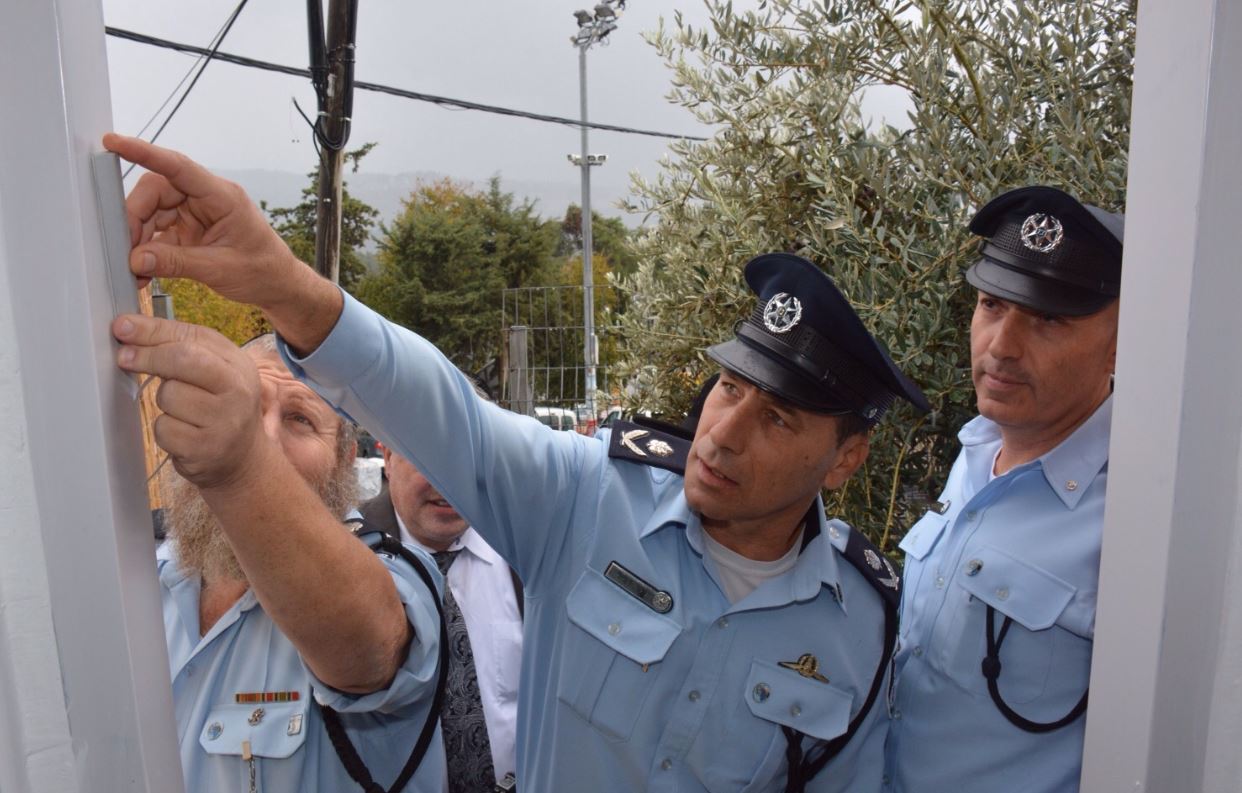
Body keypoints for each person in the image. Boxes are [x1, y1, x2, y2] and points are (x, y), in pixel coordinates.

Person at [104, 132, 930, 793]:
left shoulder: (861, 620)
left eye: (777, 417)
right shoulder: (586, 495)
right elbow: (443, 408)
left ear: (844, 458)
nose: (721, 432)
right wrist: (287, 284)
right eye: (726, 388)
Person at [120, 329, 446, 792]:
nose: (264, 439)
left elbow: (365, 652)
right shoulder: (137, 580)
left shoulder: (402, 580)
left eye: (299, 419)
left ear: (345, 460)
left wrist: (241, 463)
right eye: (246, 412)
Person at [883, 186, 1124, 792]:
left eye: (1048, 320)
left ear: (1122, 341)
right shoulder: (974, 453)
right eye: (992, 304)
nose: (1002, 346)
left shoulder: (1133, 516)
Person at [361, 445, 523, 793]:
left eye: (466, 458)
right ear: (387, 456)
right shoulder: (348, 556)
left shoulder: (525, 547)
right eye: (427, 455)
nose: (447, 479)